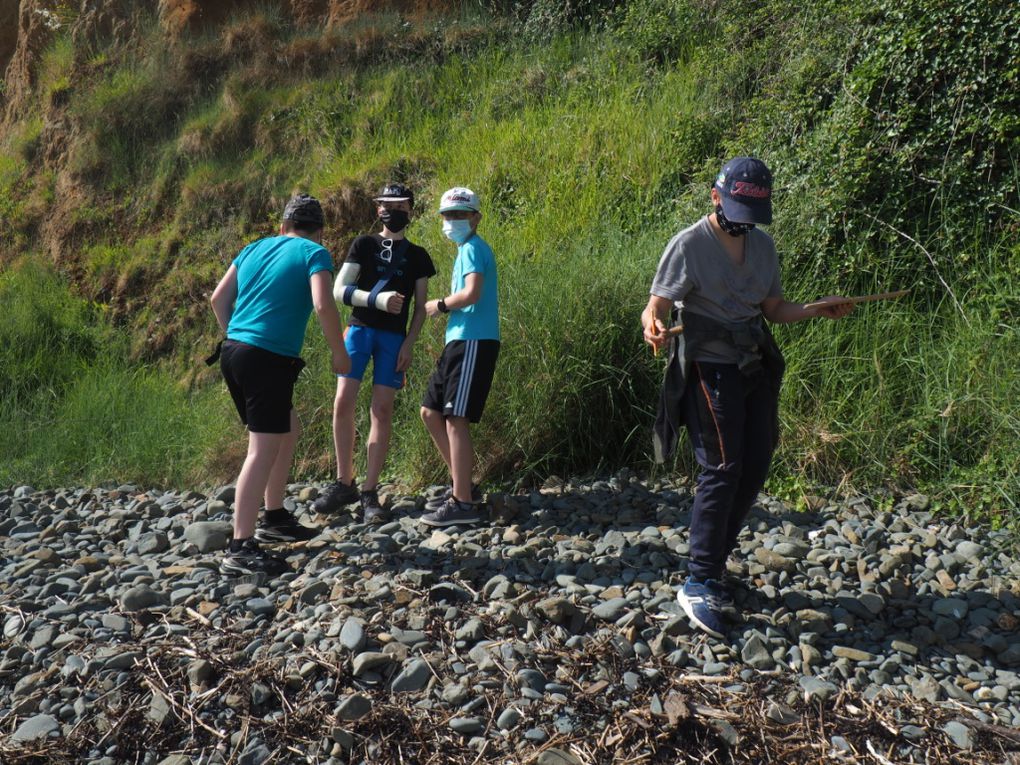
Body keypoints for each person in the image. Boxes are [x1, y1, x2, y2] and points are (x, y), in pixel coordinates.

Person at [642, 157, 853, 638]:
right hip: (709, 366)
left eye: (752, 213)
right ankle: (698, 579)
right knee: (722, 465)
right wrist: (653, 325)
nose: (743, 221)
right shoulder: (689, 244)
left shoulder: (763, 246)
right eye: (735, 207)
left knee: (756, 462)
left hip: (754, 361)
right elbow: (655, 305)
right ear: (716, 197)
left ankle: (715, 563)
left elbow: (774, 309)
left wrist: (818, 309)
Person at [210, 193, 350, 576]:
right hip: (265, 358)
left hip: (233, 351)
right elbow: (324, 305)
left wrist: (239, 337)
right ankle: (240, 546)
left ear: (282, 226)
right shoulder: (313, 253)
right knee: (262, 448)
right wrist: (339, 354)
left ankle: (273, 517)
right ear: (319, 231)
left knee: (288, 430)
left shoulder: (254, 247)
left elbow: (218, 298)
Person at [311, 184, 436, 523]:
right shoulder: (363, 244)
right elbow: (339, 291)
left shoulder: (419, 255)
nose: (389, 209)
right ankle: (343, 481)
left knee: (381, 409)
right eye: (384, 203)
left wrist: (409, 344)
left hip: (393, 338)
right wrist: (377, 300)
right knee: (343, 400)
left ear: (410, 209)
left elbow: (421, 308)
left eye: (397, 204)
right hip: (360, 329)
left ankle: (369, 491)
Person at [419, 187, 500, 527]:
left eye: (459, 215)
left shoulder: (472, 249)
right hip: (460, 341)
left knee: (455, 418)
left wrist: (437, 306)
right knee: (430, 412)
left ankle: (463, 502)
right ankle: (462, 486)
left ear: (476, 217)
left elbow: (471, 293)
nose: (452, 221)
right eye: (448, 216)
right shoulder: (467, 249)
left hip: (473, 340)